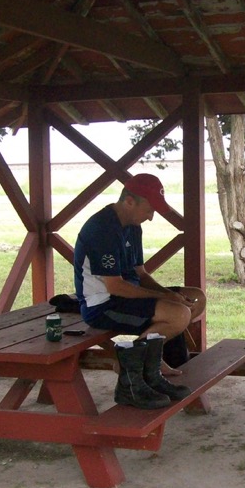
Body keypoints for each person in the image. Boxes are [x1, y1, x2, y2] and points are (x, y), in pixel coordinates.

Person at [73, 173, 206, 409]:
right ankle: (132, 380)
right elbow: (115, 286)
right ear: (129, 201)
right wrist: (166, 297)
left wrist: (171, 294)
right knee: (179, 314)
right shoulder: (102, 229)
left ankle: (151, 368)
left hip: (127, 294)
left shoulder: (133, 227)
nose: (151, 217)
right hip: (102, 305)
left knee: (195, 298)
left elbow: (141, 275)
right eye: (149, 209)